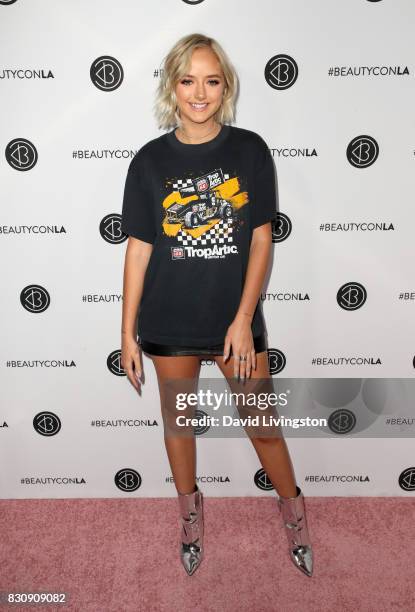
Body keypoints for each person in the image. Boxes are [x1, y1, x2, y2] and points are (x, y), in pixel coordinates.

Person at [120, 33, 313, 578]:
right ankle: (190, 520)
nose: (199, 93)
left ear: (225, 86)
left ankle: (296, 519)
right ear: (171, 87)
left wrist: (243, 319)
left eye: (211, 80)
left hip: (234, 321)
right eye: (187, 80)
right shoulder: (150, 162)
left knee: (263, 424)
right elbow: (138, 250)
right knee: (179, 425)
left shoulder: (249, 149)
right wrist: (125, 332)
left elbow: (260, 239)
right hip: (168, 319)